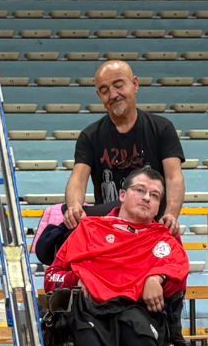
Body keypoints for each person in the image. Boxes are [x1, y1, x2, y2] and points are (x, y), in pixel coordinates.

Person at [51, 165, 196, 346]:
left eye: (154, 195)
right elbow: (52, 277)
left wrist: (158, 277)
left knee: (132, 319)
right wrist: (74, 279)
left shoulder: (163, 239)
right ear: (122, 195)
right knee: (81, 314)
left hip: (138, 313)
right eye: (140, 190)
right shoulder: (89, 229)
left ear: (158, 206)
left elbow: (178, 278)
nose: (147, 198)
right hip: (91, 312)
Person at [64, 59, 186, 233]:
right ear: (99, 96)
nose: (113, 94)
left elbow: (174, 177)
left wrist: (171, 215)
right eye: (104, 90)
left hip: (152, 228)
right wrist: (74, 206)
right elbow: (78, 178)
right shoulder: (89, 136)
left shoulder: (162, 128)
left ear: (135, 84)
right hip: (110, 230)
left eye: (119, 85)